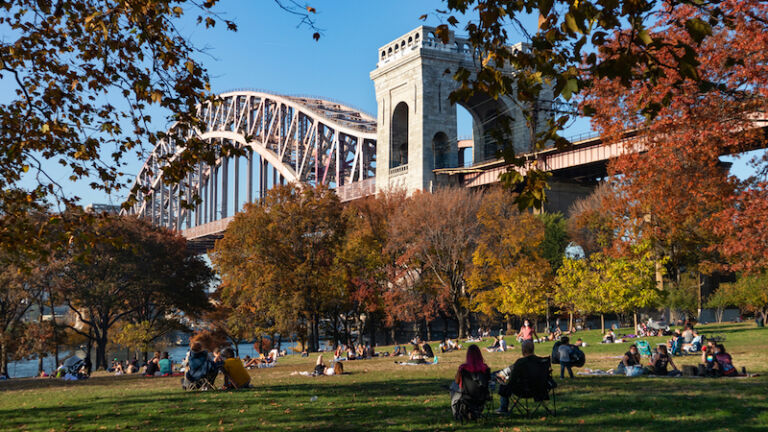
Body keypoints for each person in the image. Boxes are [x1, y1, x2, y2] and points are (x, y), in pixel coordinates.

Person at [496, 340, 540, 413]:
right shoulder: (540, 361)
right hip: (539, 389)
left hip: (522, 390)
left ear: (523, 350)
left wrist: (506, 379)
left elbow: (512, 379)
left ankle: (503, 408)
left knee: (503, 384)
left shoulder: (520, 362)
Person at [450, 345, 491, 418]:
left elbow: (457, 381)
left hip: (467, 395)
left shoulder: (463, 368)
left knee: (453, 385)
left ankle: (456, 412)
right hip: (482, 396)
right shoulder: (485, 368)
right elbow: (488, 381)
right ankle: (476, 411)